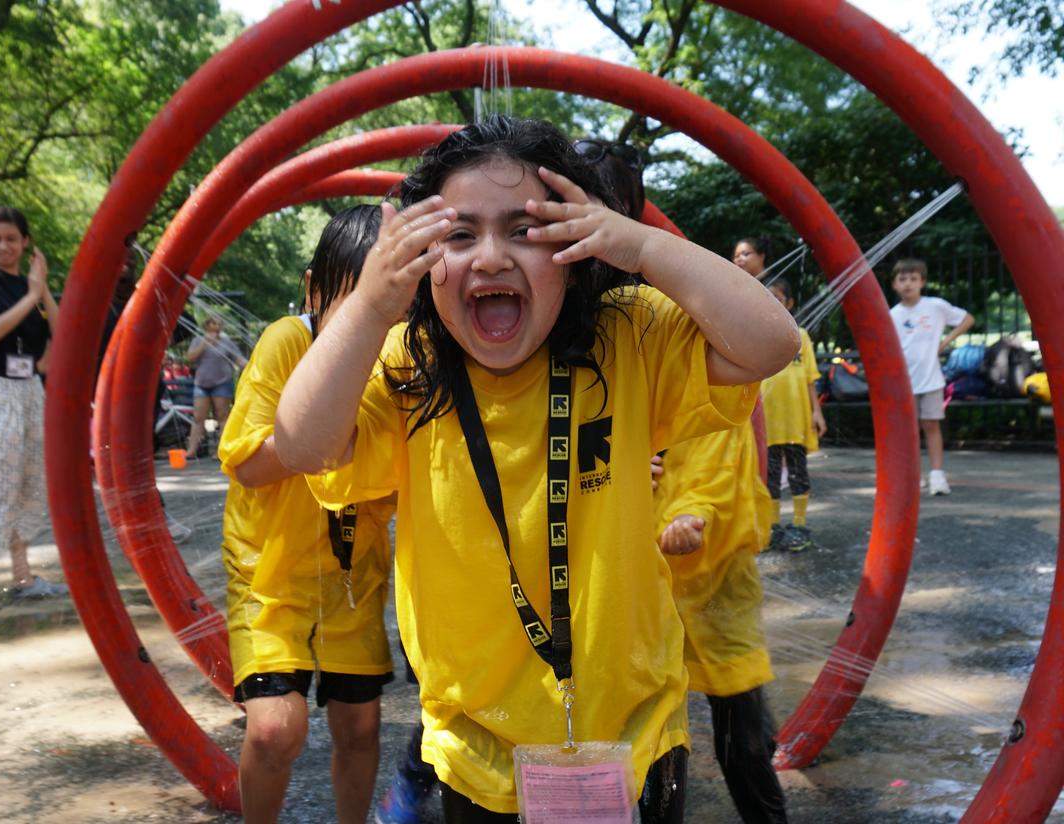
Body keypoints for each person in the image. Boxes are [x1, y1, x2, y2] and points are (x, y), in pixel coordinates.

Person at [274, 116, 799, 822]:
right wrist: (370, 304)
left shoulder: (629, 337)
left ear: (574, 243)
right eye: (458, 236)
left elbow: (772, 343)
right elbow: (302, 444)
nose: (489, 257)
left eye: (525, 229)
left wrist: (639, 244)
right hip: (477, 745)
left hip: (632, 739)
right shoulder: (407, 366)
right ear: (425, 260)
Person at [220, 205, 393, 824]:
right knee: (275, 730)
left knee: (361, 726)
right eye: (355, 303)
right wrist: (322, 433)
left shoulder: (397, 360)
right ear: (314, 290)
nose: (370, 324)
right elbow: (246, 464)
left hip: (352, 576)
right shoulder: (288, 341)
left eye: (389, 304)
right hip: (270, 573)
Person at [656, 425, 788, 824]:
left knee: (740, 740)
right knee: (655, 736)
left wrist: (691, 516)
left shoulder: (715, 396)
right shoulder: (626, 387)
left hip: (717, 589)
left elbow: (717, 481)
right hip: (648, 588)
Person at [0, 206, 66, 611]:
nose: (3, 246)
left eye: (11, 239)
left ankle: (23, 575)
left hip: (29, 389)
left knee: (29, 479)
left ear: (25, 243)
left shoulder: (32, 285)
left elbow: (62, 330)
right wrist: (33, 296)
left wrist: (42, 289)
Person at [889, 258, 974, 495]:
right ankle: (912, 475)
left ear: (922, 282)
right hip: (905, 382)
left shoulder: (935, 306)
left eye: (913, 279)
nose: (908, 284)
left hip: (931, 379)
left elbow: (967, 319)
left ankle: (937, 474)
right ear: (894, 284)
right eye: (902, 279)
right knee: (909, 431)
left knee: (931, 425)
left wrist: (945, 341)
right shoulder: (892, 315)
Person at [760, 278, 826, 551]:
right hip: (769, 420)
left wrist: (817, 412)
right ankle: (773, 524)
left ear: (789, 303)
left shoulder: (801, 336)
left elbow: (810, 379)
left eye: (777, 297)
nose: (771, 302)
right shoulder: (755, 336)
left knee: (799, 472)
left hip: (796, 419)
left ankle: (799, 523)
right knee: (771, 474)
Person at [185, 315, 246, 459]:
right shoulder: (197, 340)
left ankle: (221, 451)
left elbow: (239, 359)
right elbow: (190, 358)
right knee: (199, 418)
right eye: (214, 324)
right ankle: (191, 451)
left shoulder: (227, 343)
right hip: (201, 384)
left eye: (219, 324)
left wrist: (253, 365)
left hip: (222, 383)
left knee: (222, 417)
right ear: (206, 325)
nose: (217, 327)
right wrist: (205, 343)